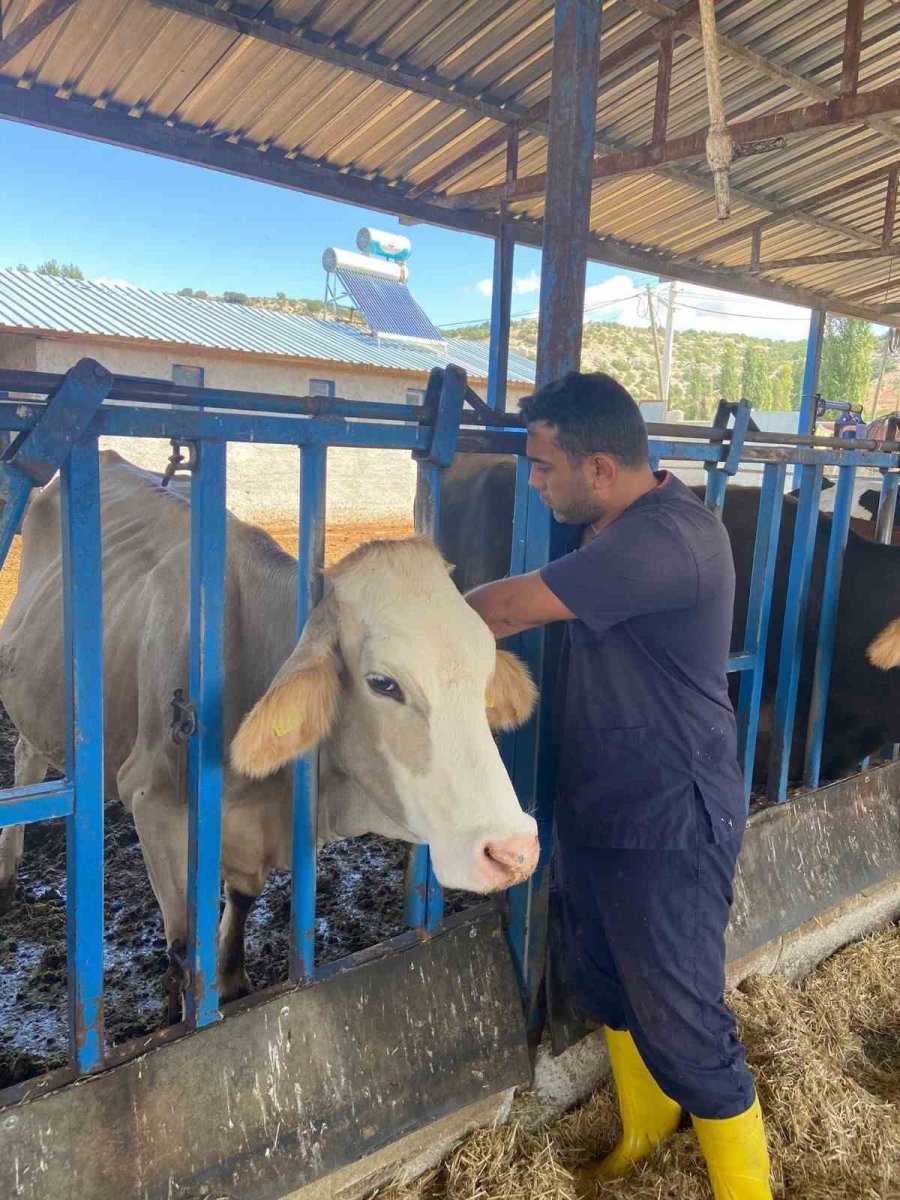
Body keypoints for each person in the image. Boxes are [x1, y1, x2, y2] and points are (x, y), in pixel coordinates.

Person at [465, 371, 772, 1199]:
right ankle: (645, 1133)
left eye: (543, 467)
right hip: (604, 805)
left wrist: (403, 618)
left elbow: (503, 611)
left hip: (671, 819)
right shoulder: (617, 525)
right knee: (607, 985)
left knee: (685, 1023)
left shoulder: (665, 540)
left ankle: (748, 1191)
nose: (534, 483)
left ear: (599, 468)